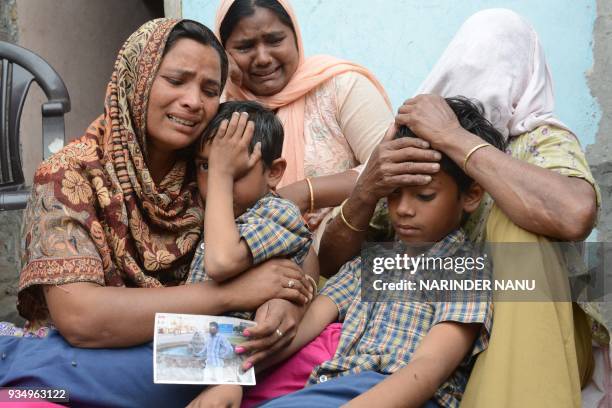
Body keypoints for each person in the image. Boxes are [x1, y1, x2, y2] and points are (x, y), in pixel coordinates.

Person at [0, 18, 315, 408]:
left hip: (193, 345)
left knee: (314, 349)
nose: (194, 101)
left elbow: (290, 253)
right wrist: (230, 295)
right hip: (96, 352)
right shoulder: (71, 173)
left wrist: (281, 304)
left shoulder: (209, 166)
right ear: (138, 79)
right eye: (176, 80)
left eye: (210, 89)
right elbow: (81, 318)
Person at [319, 9, 602, 408]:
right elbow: (333, 264)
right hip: (425, 343)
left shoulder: (538, 141)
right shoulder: (416, 152)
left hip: (531, 331)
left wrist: (456, 139)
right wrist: (367, 189)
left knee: (517, 224)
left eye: (501, 74)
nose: (486, 89)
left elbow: (574, 215)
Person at [193, 96, 505, 407]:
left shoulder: (465, 267)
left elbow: (428, 369)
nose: (404, 210)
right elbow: (303, 327)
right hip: (333, 382)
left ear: (471, 196)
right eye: (393, 194)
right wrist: (229, 379)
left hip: (396, 391)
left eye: (424, 196)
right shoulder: (370, 262)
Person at [214, 0, 397, 238]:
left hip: (349, 255)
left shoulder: (339, 86)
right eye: (244, 47)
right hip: (252, 261)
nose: (262, 58)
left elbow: (393, 164)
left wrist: (304, 193)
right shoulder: (222, 109)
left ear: (295, 37)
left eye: (275, 40)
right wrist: (216, 73)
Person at [187, 101, 313, 305]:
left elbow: (221, 262)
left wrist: (221, 174)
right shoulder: (193, 207)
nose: (215, 183)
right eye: (205, 166)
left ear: (273, 172)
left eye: (235, 169)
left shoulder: (280, 214)